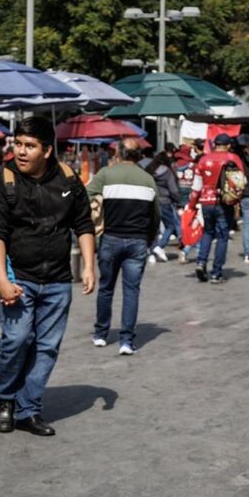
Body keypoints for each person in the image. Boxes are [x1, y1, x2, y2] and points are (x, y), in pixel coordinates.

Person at [0, 117, 96, 437]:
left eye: (29, 146)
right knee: (17, 340)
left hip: (59, 280)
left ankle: (28, 409)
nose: (21, 151)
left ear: (46, 150)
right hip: (20, 278)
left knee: (47, 347)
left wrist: (89, 266)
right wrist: (2, 280)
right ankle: (5, 398)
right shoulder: (3, 181)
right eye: (18, 144)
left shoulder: (68, 180)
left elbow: (83, 225)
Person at [87, 138, 160, 355]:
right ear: (138, 155)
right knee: (131, 291)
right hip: (137, 241)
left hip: (110, 238)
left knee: (106, 288)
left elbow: (87, 196)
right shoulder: (148, 180)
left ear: (118, 152)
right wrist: (150, 239)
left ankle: (101, 334)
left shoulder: (105, 175)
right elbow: (155, 215)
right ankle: (127, 341)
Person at [187, 133, 243, 284]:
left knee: (207, 232)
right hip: (225, 202)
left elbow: (196, 186)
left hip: (206, 201)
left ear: (214, 144)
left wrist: (191, 205)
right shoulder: (233, 159)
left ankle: (201, 262)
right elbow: (240, 182)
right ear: (229, 145)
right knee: (222, 237)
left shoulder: (203, 159)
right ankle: (216, 273)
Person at [146, 150, 181, 262]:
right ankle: (159, 246)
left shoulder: (149, 171)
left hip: (151, 200)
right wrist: (178, 200)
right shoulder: (167, 172)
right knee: (170, 226)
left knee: (154, 228)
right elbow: (173, 190)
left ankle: (151, 251)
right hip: (165, 201)